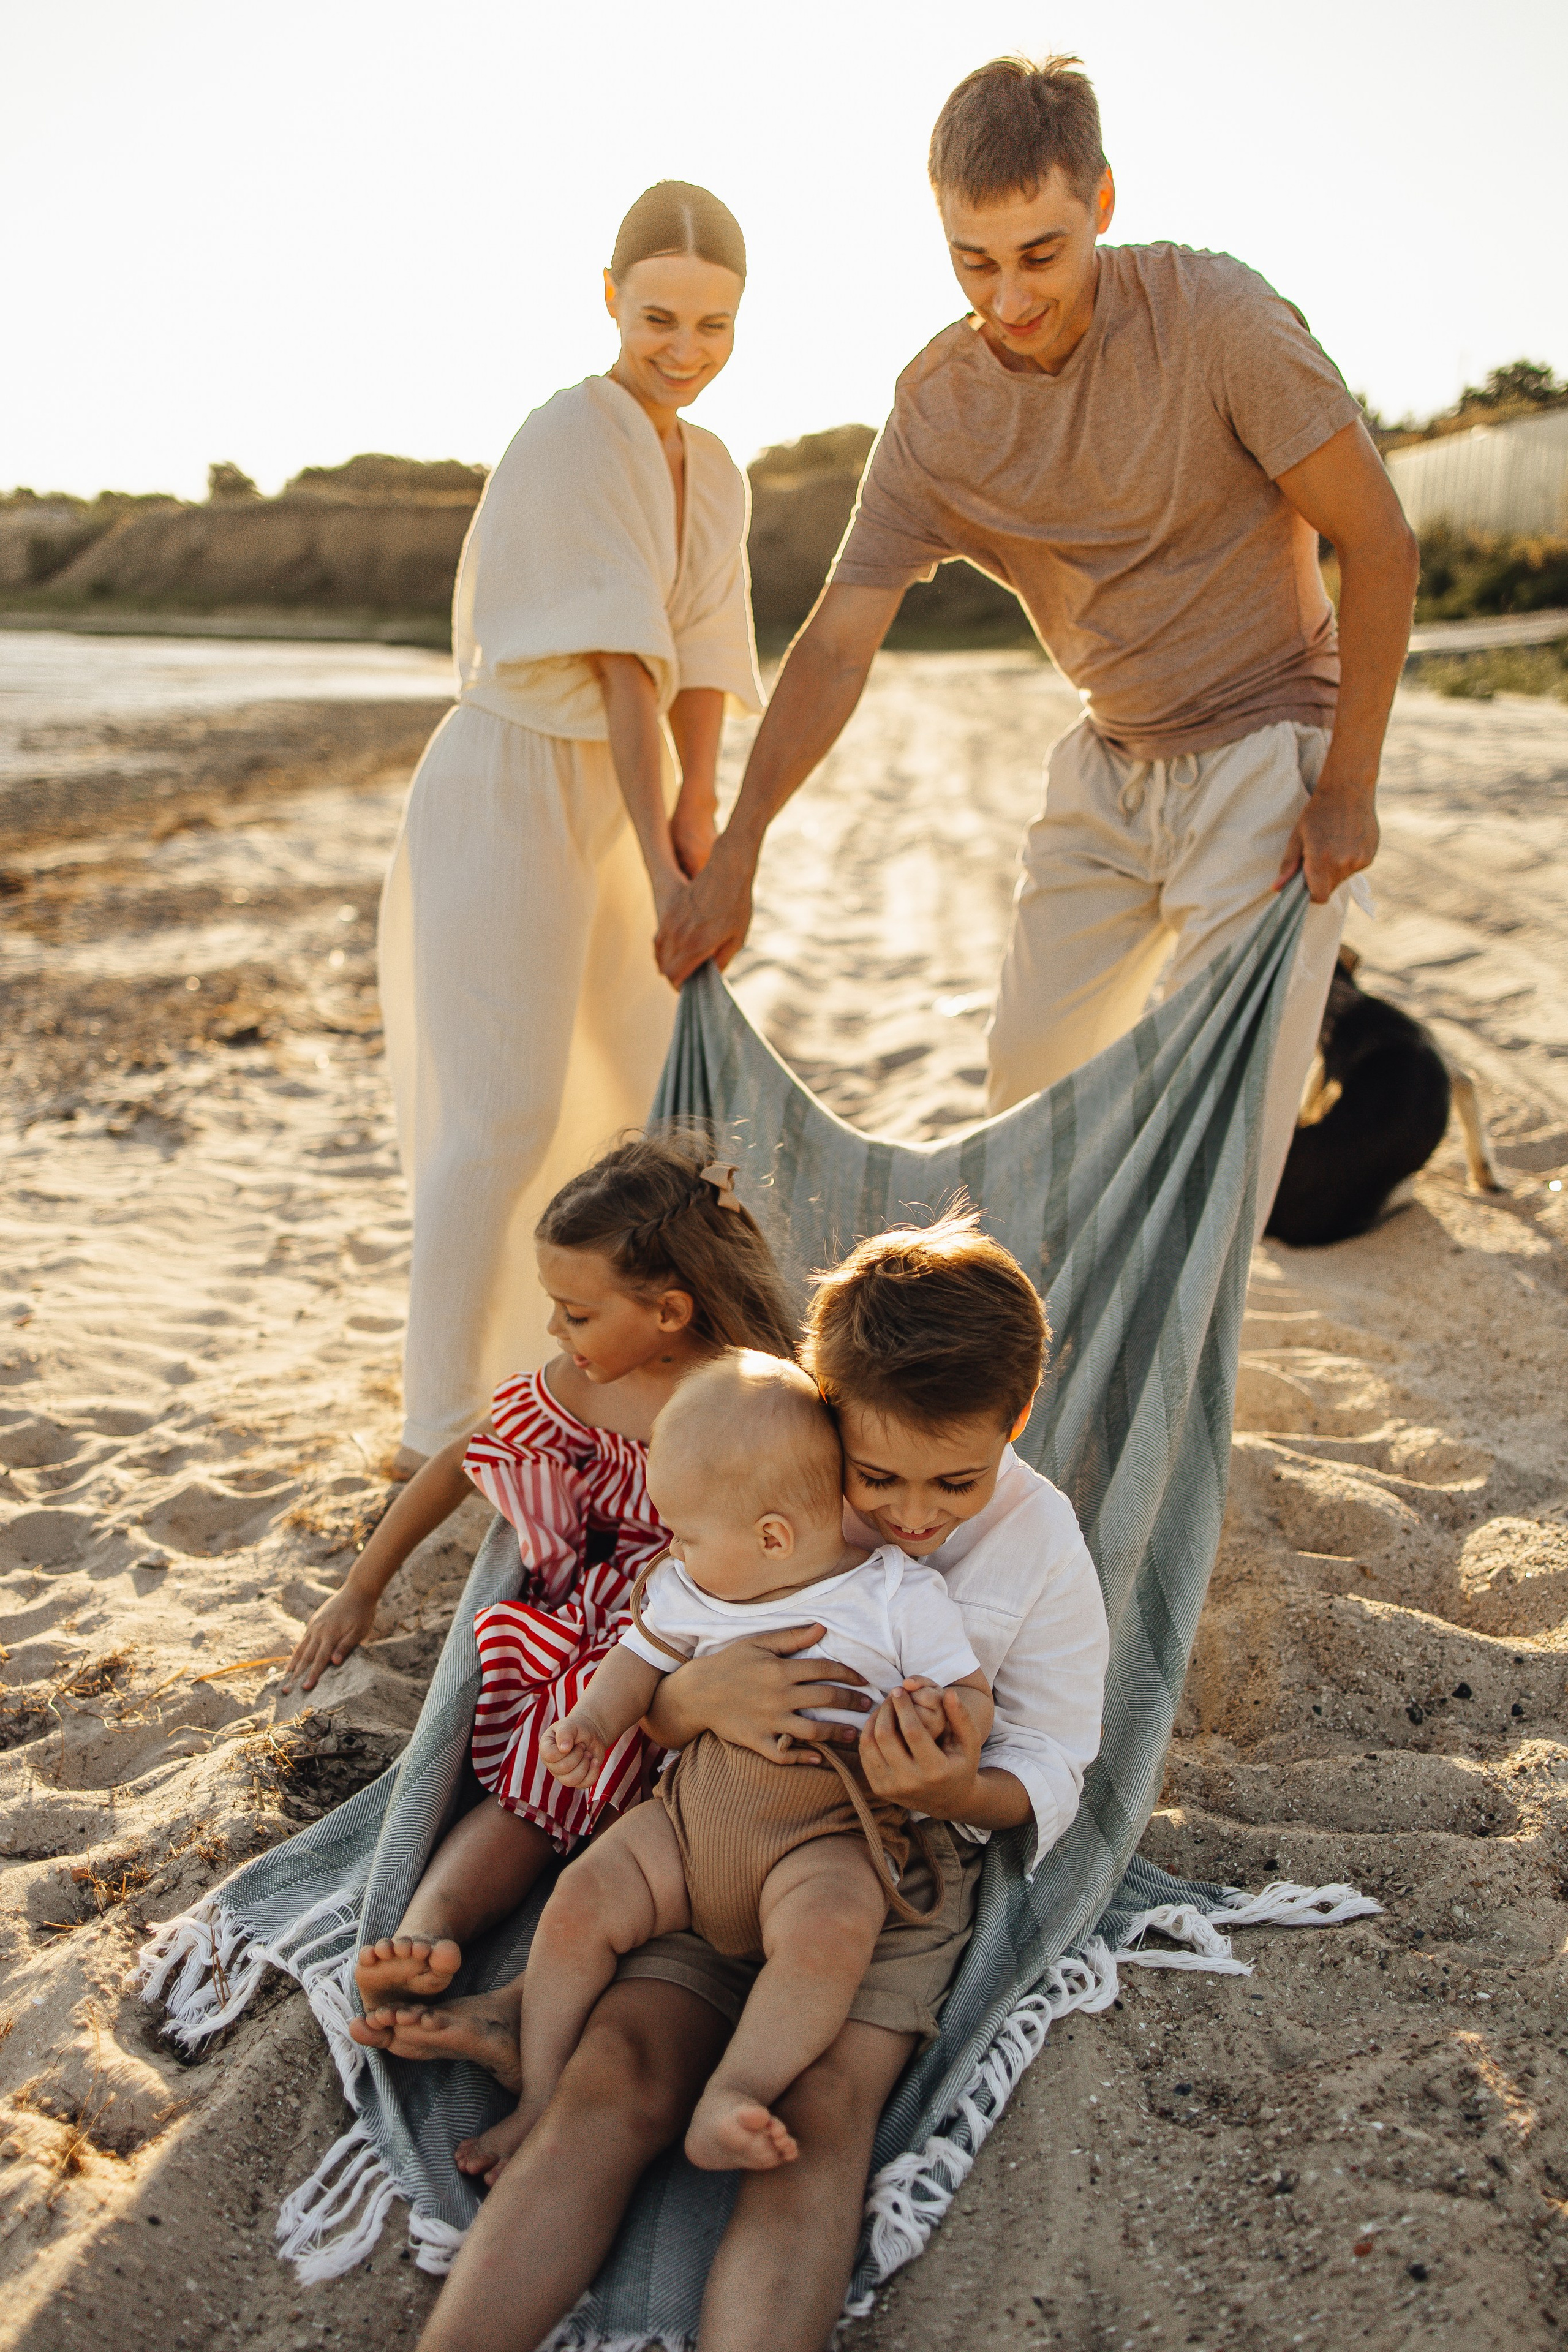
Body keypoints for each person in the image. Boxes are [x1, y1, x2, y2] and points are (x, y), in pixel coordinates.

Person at [654, 58, 1420, 1234]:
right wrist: (742, 845)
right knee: (1026, 1090)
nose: (1008, 299)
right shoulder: (938, 414)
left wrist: (1350, 784)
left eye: (1041, 255)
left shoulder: (1222, 324)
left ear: (1102, 205)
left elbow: (1381, 542)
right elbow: (839, 645)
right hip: (1110, 763)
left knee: (1222, 1133)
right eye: (974, 261)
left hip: (1272, 751)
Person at [361, 1213, 1108, 2352]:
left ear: (1013, 1425)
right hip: (709, 1823)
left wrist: (958, 1791)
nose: (909, 1514)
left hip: (876, 1861)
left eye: (955, 1480)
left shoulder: (1038, 1542)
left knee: (815, 2116)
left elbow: (1052, 1756)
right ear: (826, 1410)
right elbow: (659, 1655)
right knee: (614, 2075)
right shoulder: (772, 1470)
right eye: (878, 1477)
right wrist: (689, 1703)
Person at [378, 179, 763, 1466]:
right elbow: (615, 668)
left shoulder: (711, 467)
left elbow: (701, 657)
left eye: (714, 326)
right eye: (659, 318)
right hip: (511, 779)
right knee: (500, 1112)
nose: (685, 351)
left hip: (624, 786)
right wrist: (663, 873)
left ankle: (581, 1392)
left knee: (629, 1099)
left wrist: (695, 825)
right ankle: (442, 1423)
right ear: (609, 298)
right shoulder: (570, 432)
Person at [282, 1131, 799, 2026]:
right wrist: (361, 1588)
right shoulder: (584, 1384)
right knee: (536, 1781)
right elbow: (456, 1464)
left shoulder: (757, 1395)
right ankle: (433, 1925)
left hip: (712, 1626)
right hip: (599, 1633)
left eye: (577, 1312)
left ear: (671, 1312)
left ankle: (563, 1980)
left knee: (685, 1812)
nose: (558, 1331)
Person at [521, 1351, 990, 2174]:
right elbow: (639, 1659)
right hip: (687, 1824)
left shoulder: (896, 1598)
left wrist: (940, 1724)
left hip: (827, 1833)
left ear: (773, 1536)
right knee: (578, 1901)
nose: (672, 1549)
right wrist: (593, 1722)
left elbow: (971, 1693)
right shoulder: (693, 1588)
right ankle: (534, 2091)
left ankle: (734, 2091)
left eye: (688, 1533)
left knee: (833, 1934)